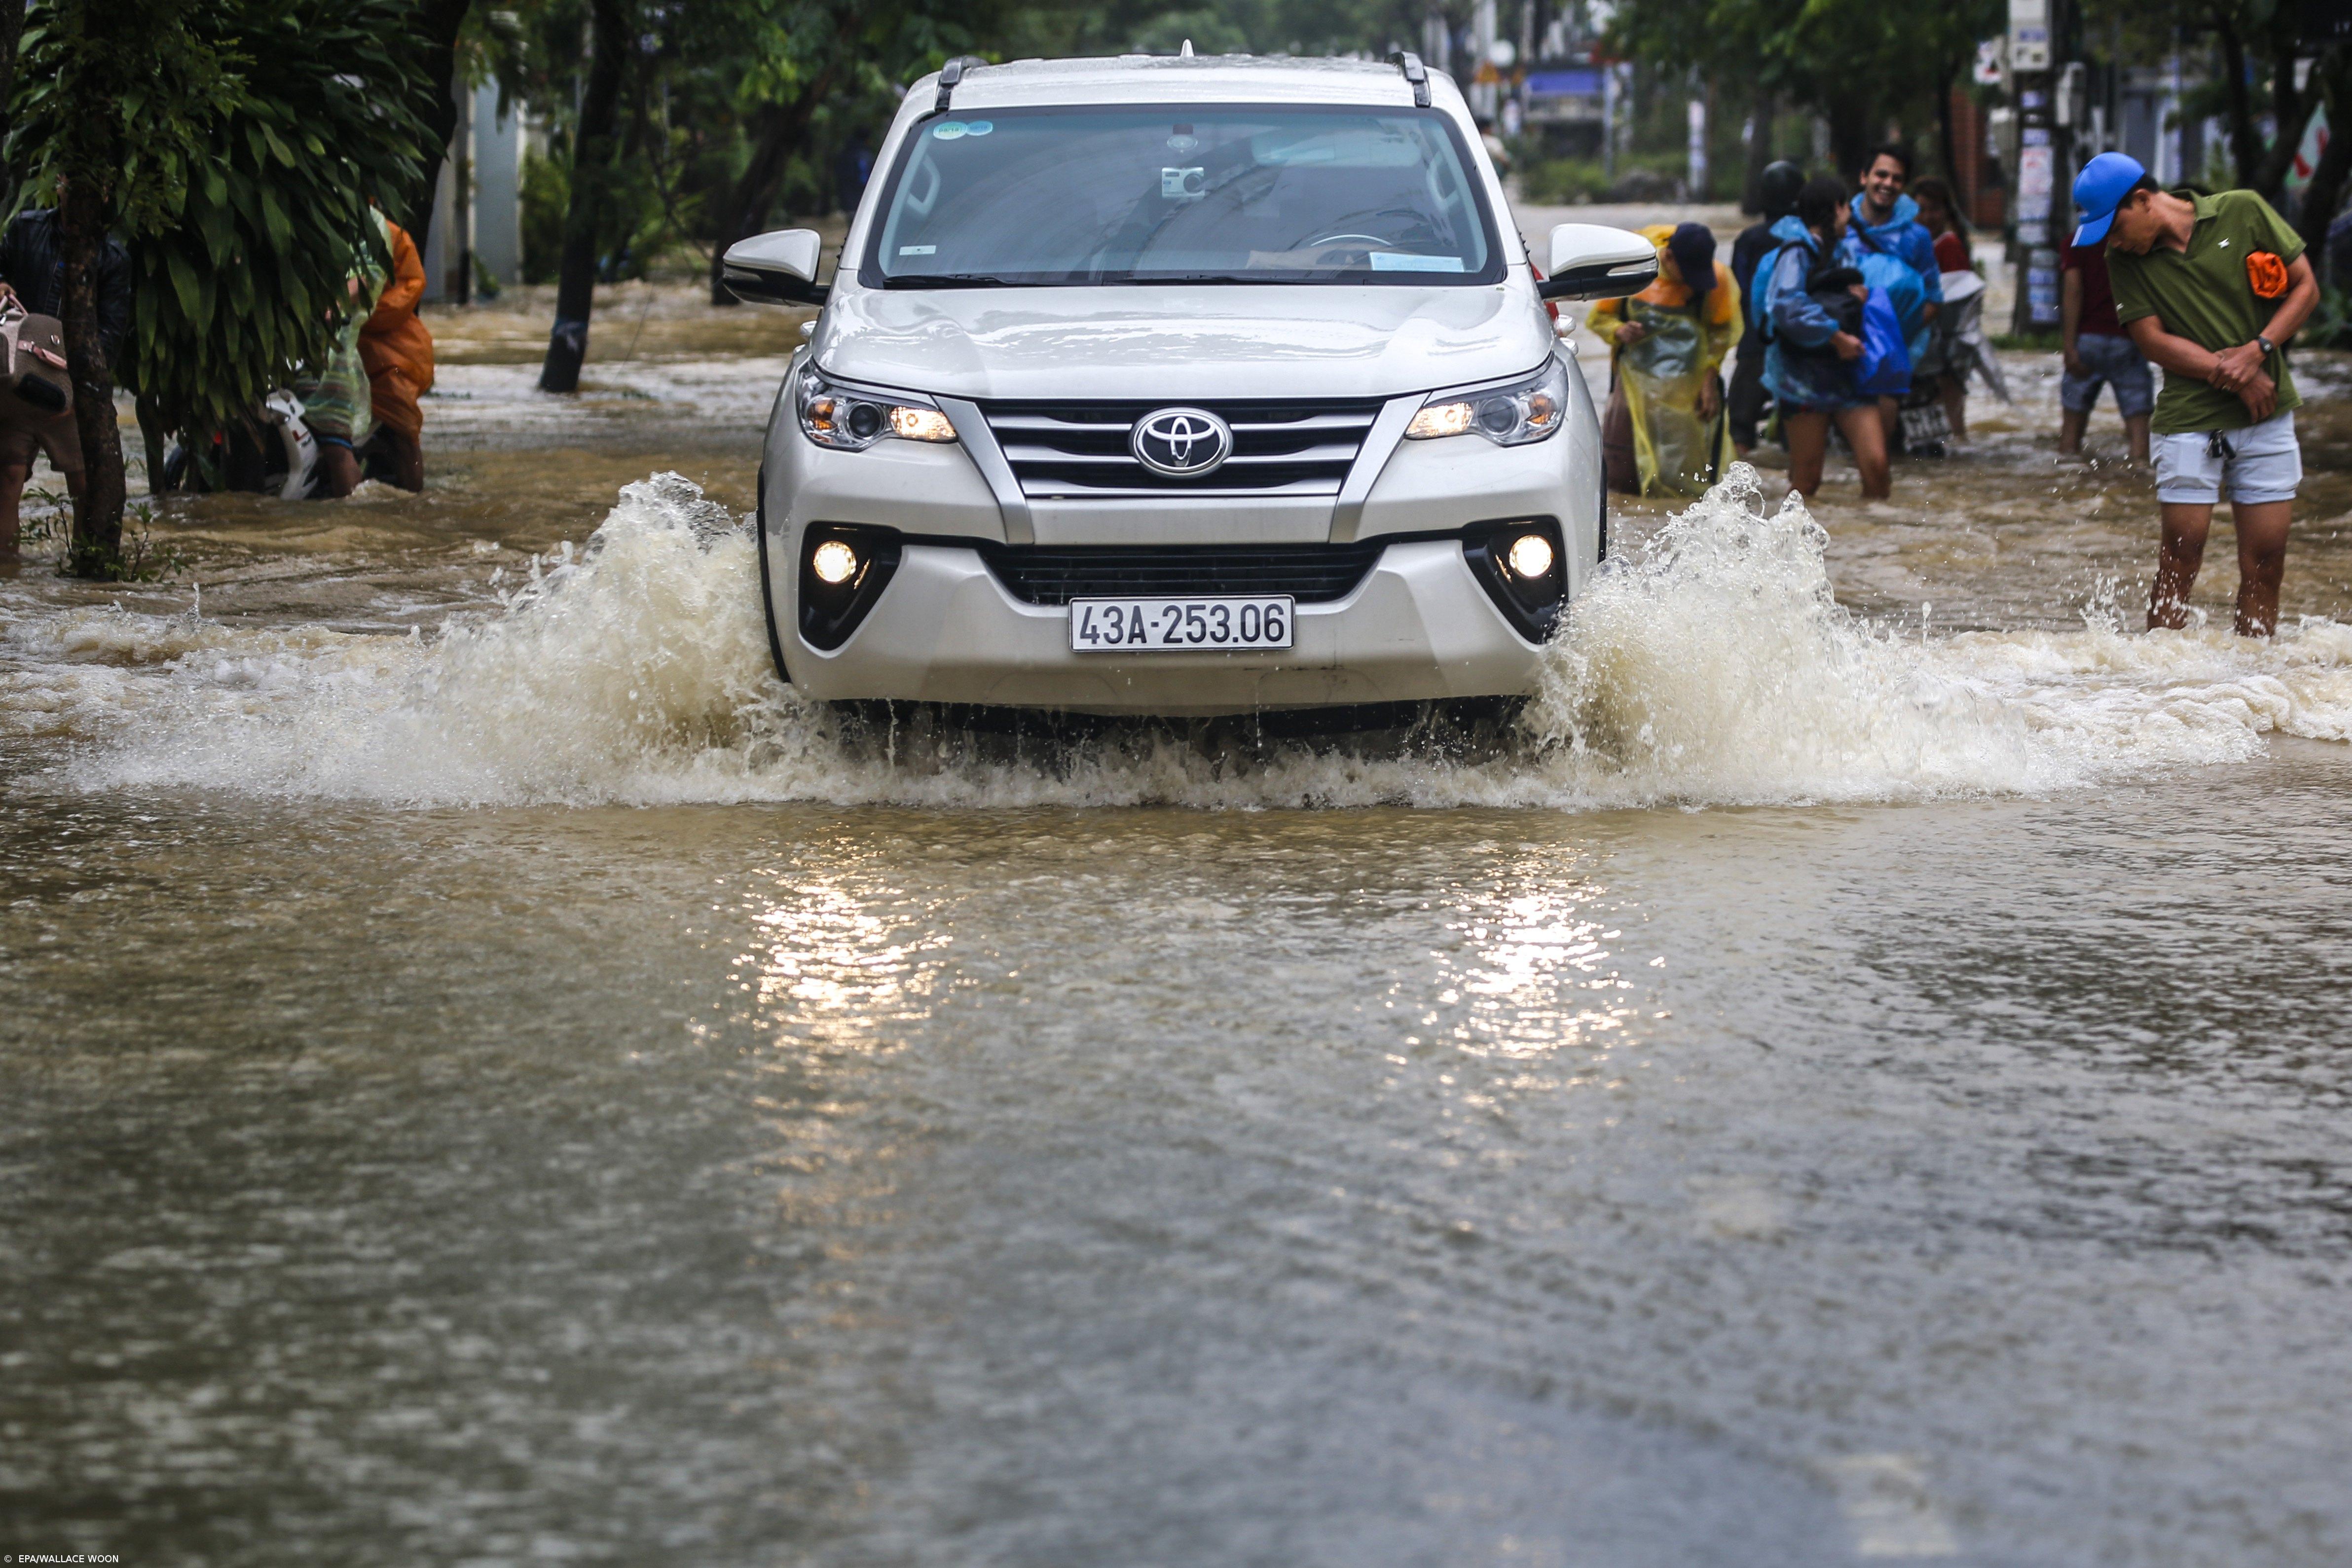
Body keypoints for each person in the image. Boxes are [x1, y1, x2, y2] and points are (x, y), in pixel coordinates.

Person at [2076, 150, 2320, 636]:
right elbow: (2151, 341)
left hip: (2266, 415)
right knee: (2180, 559)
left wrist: (2258, 350)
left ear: (2143, 200)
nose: (2114, 243)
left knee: (2266, 562)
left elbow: (2305, 288)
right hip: (2189, 417)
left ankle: (2253, 684)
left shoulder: (2243, 210)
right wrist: (2237, 371)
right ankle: (2164, 687)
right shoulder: (2122, 259)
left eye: (2115, 227)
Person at [0, 199, 131, 562]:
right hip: (17, 380)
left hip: (71, 388)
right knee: (8, 481)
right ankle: (7, 580)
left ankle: (86, 574)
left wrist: (78, 389)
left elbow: (110, 333)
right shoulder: (25, 229)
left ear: (105, 192)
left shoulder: (112, 257)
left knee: (84, 486)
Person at [1587, 222, 1742, 497]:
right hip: (1633, 383)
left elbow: (1721, 334)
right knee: (1622, 473)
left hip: (1686, 384)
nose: (1693, 281)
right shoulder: (1632, 271)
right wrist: (1619, 330)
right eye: (1688, 273)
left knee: (1685, 466)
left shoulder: (1715, 280)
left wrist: (1709, 381)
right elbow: (1599, 318)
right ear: (1668, 258)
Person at [1760, 176, 1889, 499]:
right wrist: (1836, 337)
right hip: (1803, 379)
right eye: (1848, 206)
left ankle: (1877, 543)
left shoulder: (1843, 251)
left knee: (1877, 468)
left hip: (1848, 374)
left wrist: (1855, 301)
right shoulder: (1796, 252)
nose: (1852, 213)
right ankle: (1787, 546)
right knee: (1806, 481)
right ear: (1837, 209)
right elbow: (1785, 306)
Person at [1845, 144, 1943, 445]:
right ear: (1864, 177)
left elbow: (1933, 299)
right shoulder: (1839, 226)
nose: (1888, 184)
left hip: (1890, 360)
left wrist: (1892, 343)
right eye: (1881, 175)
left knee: (1879, 457)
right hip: (1840, 352)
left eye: (1897, 179)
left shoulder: (1916, 238)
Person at [1728, 160, 1805, 455]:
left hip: (1755, 347)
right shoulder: (1809, 237)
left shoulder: (1750, 240)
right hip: (1801, 348)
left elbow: (1740, 293)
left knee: (1739, 424)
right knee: (1801, 427)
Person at [2058, 235, 2152, 465]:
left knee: (2070, 437)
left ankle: (2067, 486)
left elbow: (2074, 290)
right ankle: (2137, 481)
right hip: (2128, 338)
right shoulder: (2132, 239)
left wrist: (2069, 346)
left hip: (2088, 340)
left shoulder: (2076, 242)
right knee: (2139, 435)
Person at [357, 214, 434, 492]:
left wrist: (362, 313)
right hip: (345, 346)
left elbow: (410, 287)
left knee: (405, 430)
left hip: (392, 348)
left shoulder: (390, 235)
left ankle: (415, 498)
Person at [1911, 176, 1975, 443]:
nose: (1928, 217)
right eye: (1922, 209)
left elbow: (1956, 297)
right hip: (1927, 340)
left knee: (1950, 412)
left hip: (1947, 343)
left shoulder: (1948, 245)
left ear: (1946, 211)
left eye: (1934, 209)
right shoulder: (1915, 244)